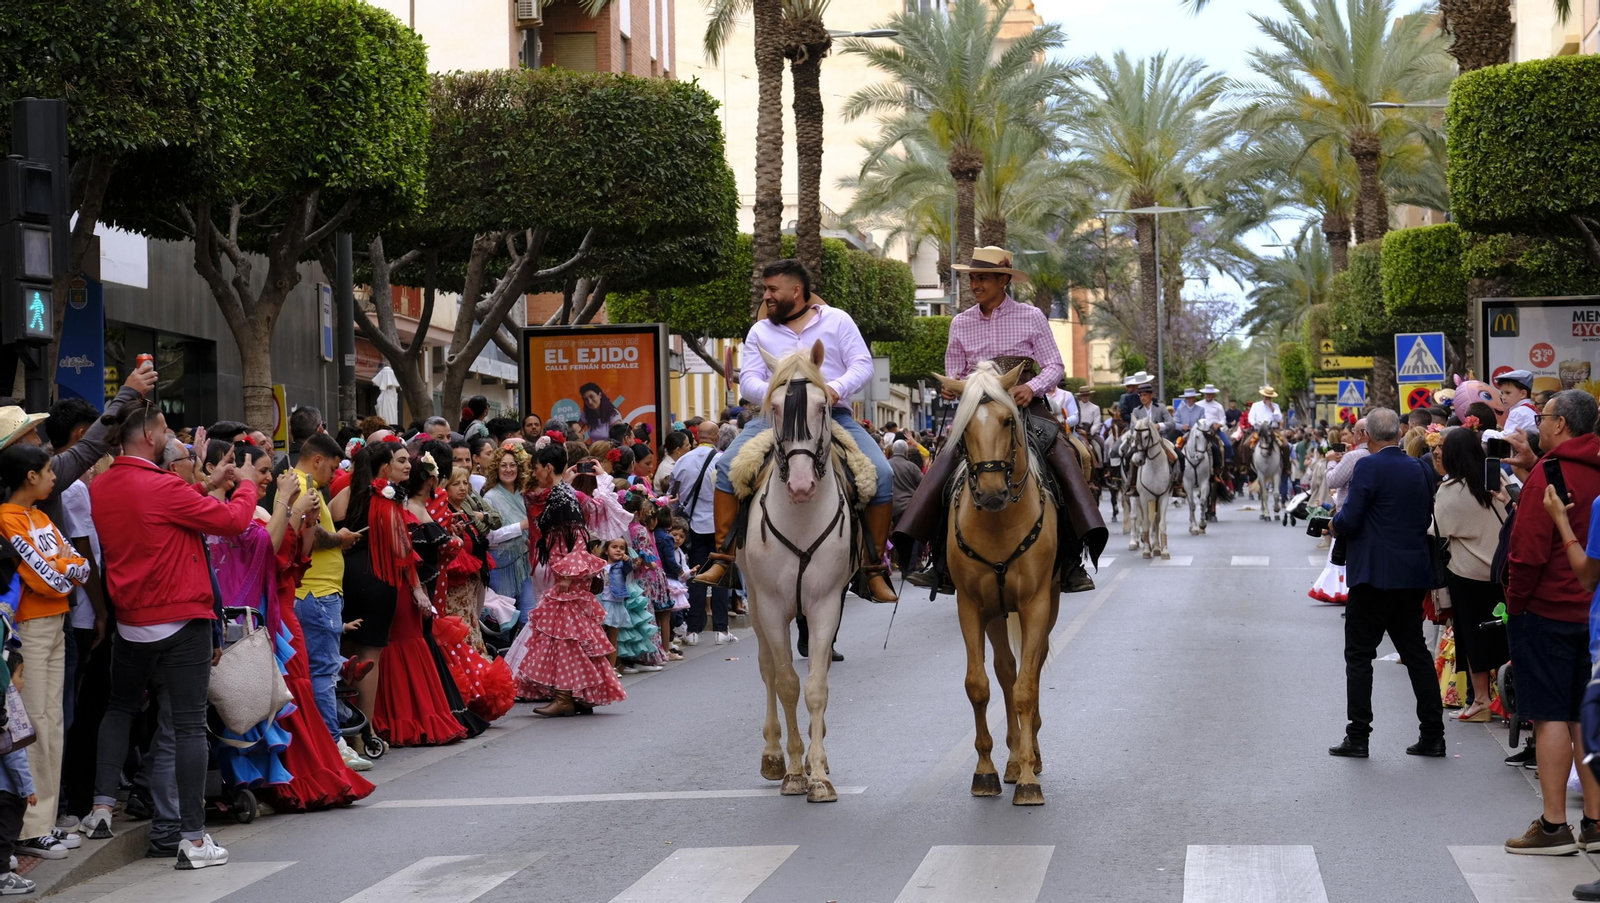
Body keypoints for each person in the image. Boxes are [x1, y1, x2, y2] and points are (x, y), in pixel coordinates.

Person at [84, 399, 262, 869]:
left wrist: (208, 484)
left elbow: (166, 514)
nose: (168, 436)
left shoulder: (100, 487)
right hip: (181, 619)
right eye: (163, 429)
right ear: (147, 437)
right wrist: (243, 488)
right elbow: (233, 521)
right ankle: (192, 838)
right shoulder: (161, 486)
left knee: (119, 707)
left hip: (131, 621)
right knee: (187, 727)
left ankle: (101, 805)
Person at [896, 247, 1107, 595]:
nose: (975, 284)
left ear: (1003, 280)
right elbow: (955, 372)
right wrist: (953, 389)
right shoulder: (959, 322)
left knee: (1069, 456)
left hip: (1027, 407)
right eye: (973, 277)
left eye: (982, 278)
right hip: (978, 411)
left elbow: (1055, 365)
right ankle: (938, 563)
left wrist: (1031, 386)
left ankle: (1071, 560)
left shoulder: (1031, 316)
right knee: (941, 463)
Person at [693, 259, 899, 603]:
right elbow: (750, 384)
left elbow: (862, 364)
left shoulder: (838, 320)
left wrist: (833, 389)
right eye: (766, 289)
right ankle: (722, 558)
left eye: (772, 289)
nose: (767, 296)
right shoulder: (761, 331)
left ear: (796, 290)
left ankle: (873, 568)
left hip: (833, 414)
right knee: (727, 468)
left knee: (883, 473)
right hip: (773, 419)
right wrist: (782, 395)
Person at [1502, 389, 1600, 855]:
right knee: (1588, 714)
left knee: (1551, 715)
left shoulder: (1550, 474)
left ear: (1560, 424)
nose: (1537, 424)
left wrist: (1515, 604)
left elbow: (1527, 552)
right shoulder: (1590, 467)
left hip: (1548, 610)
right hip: (1594, 615)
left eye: (1542, 417)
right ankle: (1596, 824)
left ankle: (1555, 824)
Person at [1327, 407, 1444, 761]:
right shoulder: (1420, 467)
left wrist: (1334, 525)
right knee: (1417, 655)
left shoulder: (1368, 466)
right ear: (1397, 433)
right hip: (1411, 576)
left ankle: (1358, 736)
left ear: (1368, 437)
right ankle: (1433, 735)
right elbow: (1425, 515)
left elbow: (1351, 517)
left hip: (1373, 576)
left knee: (1360, 656)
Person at [0, 442, 89, 862]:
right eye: (49, 470)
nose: (55, 477)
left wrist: (63, 569)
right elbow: (51, 576)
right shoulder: (6, 520)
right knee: (35, 722)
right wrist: (64, 569)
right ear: (30, 477)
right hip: (28, 628)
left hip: (54, 623)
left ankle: (46, 820)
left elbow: (78, 566)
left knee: (52, 722)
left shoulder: (39, 517)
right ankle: (31, 828)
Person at [1433, 428, 1510, 723]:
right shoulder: (1497, 478)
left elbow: (1439, 528)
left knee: (1472, 637)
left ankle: (1481, 700)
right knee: (1503, 634)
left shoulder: (1451, 490)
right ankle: (1508, 700)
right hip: (1502, 571)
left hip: (1467, 575)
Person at [673, 422, 732, 644]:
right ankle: (721, 630)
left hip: (693, 526)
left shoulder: (683, 461)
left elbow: (674, 492)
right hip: (720, 526)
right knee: (721, 574)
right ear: (716, 437)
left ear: (698, 436)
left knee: (696, 574)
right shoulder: (723, 461)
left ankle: (693, 631)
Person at [482, 444, 535, 625]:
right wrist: (520, 526)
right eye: (503, 465)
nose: (508, 469)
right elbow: (489, 537)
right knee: (503, 620)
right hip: (500, 564)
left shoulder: (526, 494)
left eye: (512, 465)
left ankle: (525, 654)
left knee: (528, 618)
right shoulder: (490, 497)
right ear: (496, 468)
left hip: (525, 562)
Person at [1496, 369, 1540, 437]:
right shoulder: (1529, 409)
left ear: (1523, 394)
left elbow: (1506, 438)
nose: (1503, 397)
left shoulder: (1518, 412)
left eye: (1508, 393)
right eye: (1502, 393)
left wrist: (1485, 433)